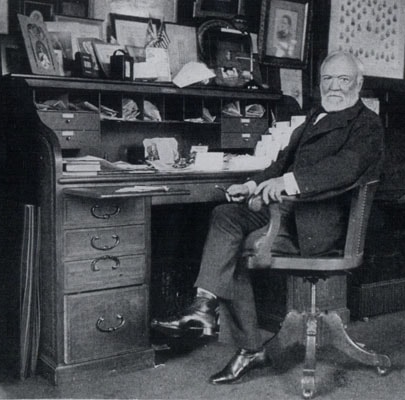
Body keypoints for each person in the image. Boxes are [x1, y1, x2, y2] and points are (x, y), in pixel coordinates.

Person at [152, 51, 384, 385]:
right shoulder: (317, 115)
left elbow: (343, 168)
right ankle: (204, 305)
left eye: (343, 79)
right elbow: (280, 163)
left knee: (235, 248)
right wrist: (252, 184)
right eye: (327, 79)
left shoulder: (367, 124)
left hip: (322, 227)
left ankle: (247, 348)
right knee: (226, 216)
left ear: (359, 83)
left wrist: (286, 183)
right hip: (290, 215)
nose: (334, 87)